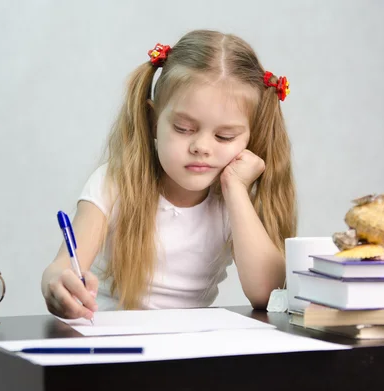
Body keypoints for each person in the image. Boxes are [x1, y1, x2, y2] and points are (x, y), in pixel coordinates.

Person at [41, 29, 297, 320]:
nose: (201, 147)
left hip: (185, 350)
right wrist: (57, 283)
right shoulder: (114, 183)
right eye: (184, 129)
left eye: (225, 136)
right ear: (153, 122)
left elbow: (268, 292)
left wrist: (236, 190)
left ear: (249, 139)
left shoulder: (234, 201)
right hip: (107, 342)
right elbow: (61, 266)